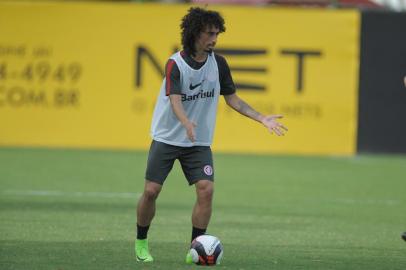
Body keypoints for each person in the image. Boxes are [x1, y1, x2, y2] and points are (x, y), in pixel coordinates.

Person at [135, 7, 288, 263]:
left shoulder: (219, 64)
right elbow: (174, 101)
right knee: (151, 191)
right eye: (209, 33)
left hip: (198, 142)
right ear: (195, 33)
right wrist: (186, 123)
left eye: (217, 33)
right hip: (167, 137)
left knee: (206, 190)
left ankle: (196, 248)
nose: (214, 39)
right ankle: (141, 242)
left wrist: (261, 118)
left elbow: (233, 100)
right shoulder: (176, 64)